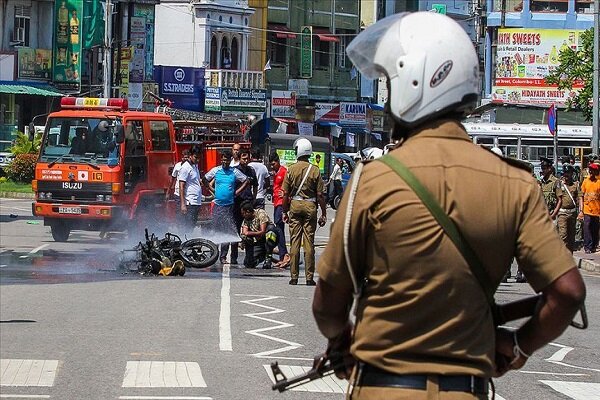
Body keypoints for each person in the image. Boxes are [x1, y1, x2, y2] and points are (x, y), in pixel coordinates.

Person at [312, 12, 585, 400]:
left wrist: (342, 340)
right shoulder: (516, 183)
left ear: (414, 82)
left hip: (381, 388)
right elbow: (568, 292)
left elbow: (327, 305)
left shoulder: (372, 181)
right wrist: (520, 345)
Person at [282, 137, 327, 285]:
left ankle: (294, 277)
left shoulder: (291, 169)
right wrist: (324, 213)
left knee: (295, 242)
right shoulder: (315, 170)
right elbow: (320, 195)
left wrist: (284, 212)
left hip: (295, 205)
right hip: (310, 207)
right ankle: (309, 278)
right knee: (309, 243)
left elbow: (285, 194)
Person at [203, 150, 248, 264]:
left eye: (227, 160)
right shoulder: (216, 170)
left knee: (226, 231)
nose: (225, 161)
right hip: (217, 206)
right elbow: (204, 179)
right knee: (216, 230)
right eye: (223, 159)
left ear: (230, 160)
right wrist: (211, 189)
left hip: (229, 206)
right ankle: (213, 254)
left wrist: (236, 192)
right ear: (221, 159)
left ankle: (223, 256)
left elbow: (246, 180)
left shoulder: (234, 171)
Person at [240, 201, 283, 269]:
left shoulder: (260, 213)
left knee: (271, 231)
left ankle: (268, 258)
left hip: (268, 238)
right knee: (248, 264)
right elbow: (244, 232)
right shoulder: (246, 219)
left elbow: (262, 231)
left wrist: (249, 233)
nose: (243, 215)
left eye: (243, 213)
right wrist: (244, 239)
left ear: (248, 211)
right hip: (259, 241)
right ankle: (262, 256)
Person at [269, 151, 290, 268]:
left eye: (273, 164)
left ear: (278, 162)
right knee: (278, 228)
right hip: (276, 202)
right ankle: (283, 255)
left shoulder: (284, 171)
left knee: (279, 228)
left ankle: (285, 255)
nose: (272, 166)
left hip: (281, 203)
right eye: (271, 165)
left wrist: (287, 195)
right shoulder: (276, 172)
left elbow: (290, 185)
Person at [178, 146, 205, 233]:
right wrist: (183, 204)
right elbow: (181, 186)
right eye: (196, 157)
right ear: (190, 155)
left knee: (192, 226)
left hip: (196, 202)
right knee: (187, 227)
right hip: (190, 203)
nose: (197, 160)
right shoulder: (185, 167)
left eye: (199, 158)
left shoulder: (195, 166)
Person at [557, 165, 581, 253]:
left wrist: (581, 211)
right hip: (562, 213)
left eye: (568, 173)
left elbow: (579, 198)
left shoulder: (576, 185)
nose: (566, 175)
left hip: (573, 213)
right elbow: (558, 199)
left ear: (572, 174)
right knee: (563, 235)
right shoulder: (559, 184)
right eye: (565, 173)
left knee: (571, 236)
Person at [579, 161, 600, 254]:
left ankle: (594, 245)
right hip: (587, 209)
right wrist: (581, 209)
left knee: (595, 229)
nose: (591, 172)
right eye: (590, 170)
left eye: (593, 170)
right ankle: (587, 246)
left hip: (597, 210)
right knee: (587, 227)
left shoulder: (599, 182)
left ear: (596, 172)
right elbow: (581, 195)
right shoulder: (585, 181)